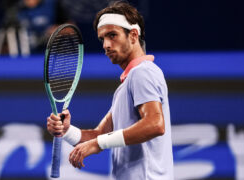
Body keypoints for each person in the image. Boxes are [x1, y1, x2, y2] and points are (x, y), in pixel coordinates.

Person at [47, 1, 174, 179]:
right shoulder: (127, 84)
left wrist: (98, 144)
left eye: (112, 35)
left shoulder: (143, 73)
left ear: (133, 35)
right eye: (102, 39)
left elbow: (155, 124)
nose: (106, 45)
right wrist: (67, 130)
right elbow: (100, 134)